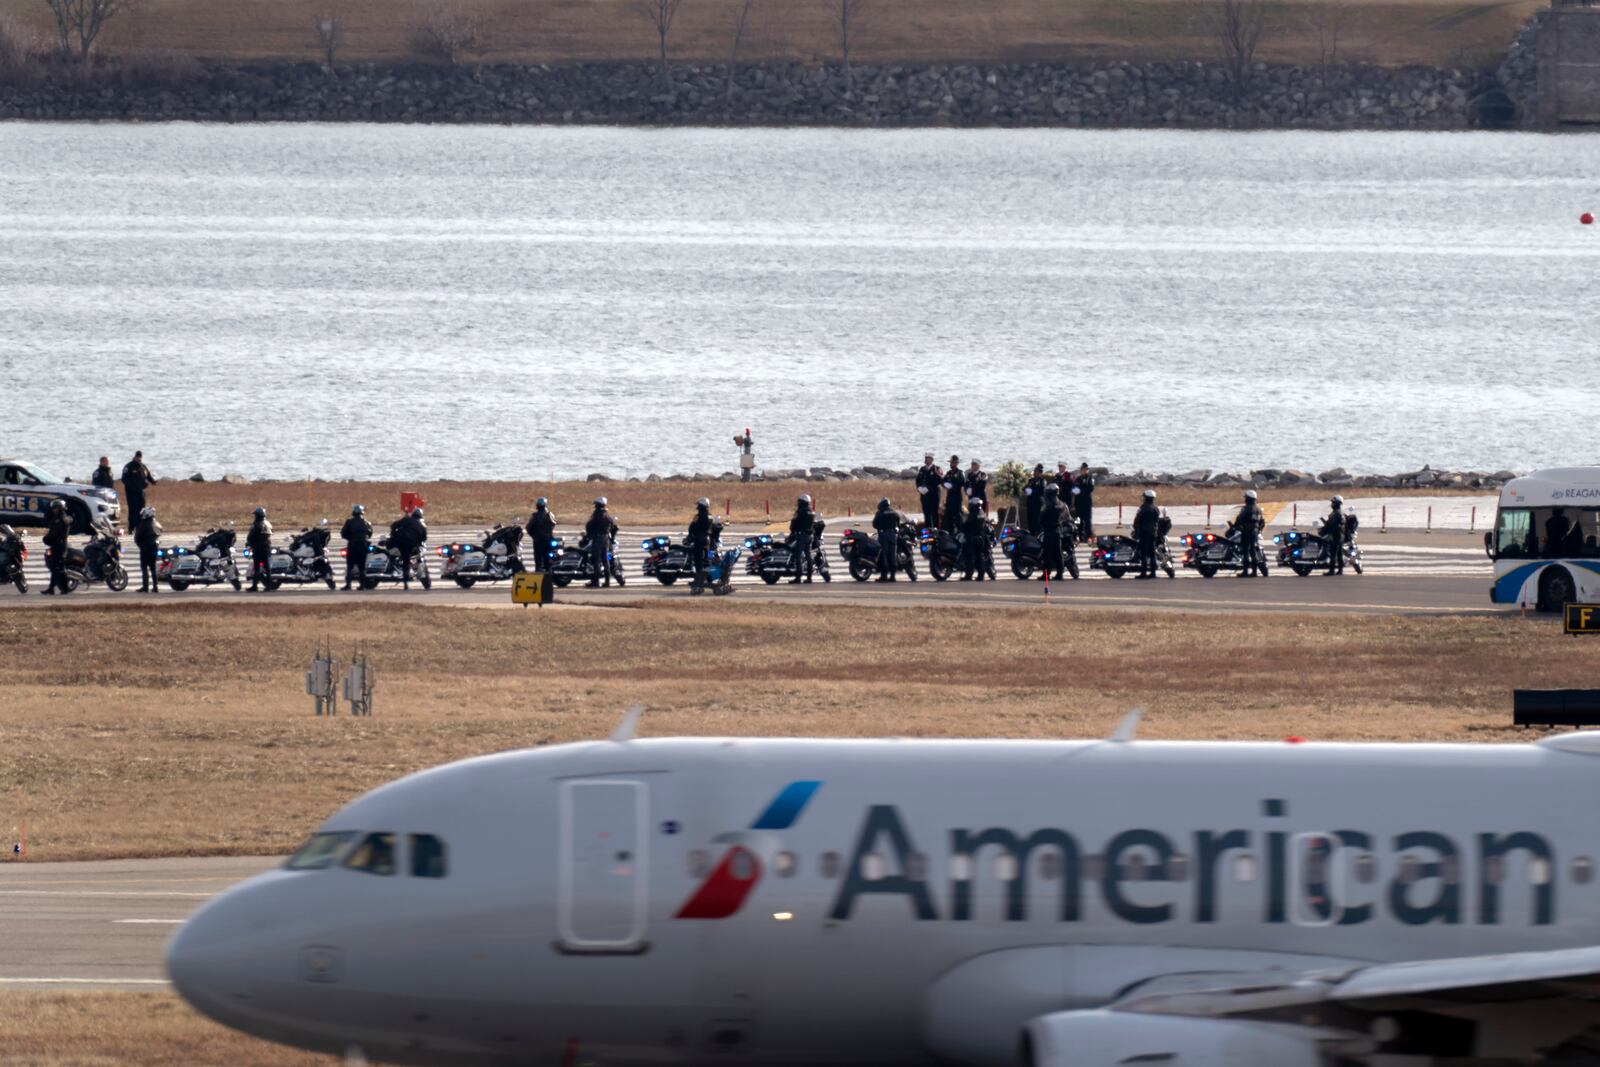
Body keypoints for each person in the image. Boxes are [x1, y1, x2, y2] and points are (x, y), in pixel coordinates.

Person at [1229, 490, 1266, 578]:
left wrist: (1234, 527)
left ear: (1248, 498)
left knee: (1246, 551)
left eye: (1246, 497)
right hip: (1255, 532)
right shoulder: (1258, 509)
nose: (1245, 499)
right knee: (1252, 551)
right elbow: (1262, 522)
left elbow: (1239, 519)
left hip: (1246, 531)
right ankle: (1254, 572)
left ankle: (1245, 571)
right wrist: (1258, 530)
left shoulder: (1245, 508)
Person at [391, 507, 429, 589]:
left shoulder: (406, 519)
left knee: (405, 562)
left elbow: (393, 525)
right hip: (411, 545)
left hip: (400, 543)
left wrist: (393, 536)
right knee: (406, 562)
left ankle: (405, 583)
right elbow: (424, 538)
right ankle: (406, 582)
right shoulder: (421, 525)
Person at [41, 500, 71, 595]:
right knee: (55, 567)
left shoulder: (61, 519)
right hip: (56, 544)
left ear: (61, 508)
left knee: (58, 567)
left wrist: (46, 538)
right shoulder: (56, 518)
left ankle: (63, 589)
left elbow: (54, 533)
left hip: (60, 545)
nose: (55, 509)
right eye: (54, 508)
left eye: (57, 508)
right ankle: (52, 588)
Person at [341, 504, 373, 590]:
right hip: (363, 547)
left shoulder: (349, 522)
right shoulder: (367, 523)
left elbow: (343, 533)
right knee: (362, 567)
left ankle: (348, 585)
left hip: (352, 546)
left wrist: (350, 538)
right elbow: (370, 534)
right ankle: (362, 585)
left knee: (350, 566)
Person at [120, 451, 157, 525]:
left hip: (141, 492)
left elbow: (148, 476)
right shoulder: (128, 466)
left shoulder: (143, 467)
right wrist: (132, 486)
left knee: (142, 509)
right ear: (135, 457)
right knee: (133, 510)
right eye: (138, 457)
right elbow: (124, 479)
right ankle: (132, 528)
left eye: (140, 457)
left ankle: (140, 526)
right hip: (131, 493)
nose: (139, 458)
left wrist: (153, 481)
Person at [787, 495, 817, 584]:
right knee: (808, 556)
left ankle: (798, 577)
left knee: (798, 556)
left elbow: (794, 522)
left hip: (801, 535)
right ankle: (809, 577)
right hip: (809, 535)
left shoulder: (800, 511)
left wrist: (792, 530)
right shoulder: (811, 511)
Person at [962, 504, 996, 581]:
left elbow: (965, 526)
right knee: (979, 558)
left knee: (970, 558)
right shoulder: (982, 514)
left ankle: (969, 575)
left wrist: (963, 529)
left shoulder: (971, 515)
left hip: (972, 539)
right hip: (981, 539)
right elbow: (987, 525)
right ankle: (981, 575)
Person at [686, 498, 716, 585]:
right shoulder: (710, 515)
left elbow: (693, 526)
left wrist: (691, 536)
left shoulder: (699, 516)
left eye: (698, 505)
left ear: (702, 505)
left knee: (698, 560)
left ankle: (698, 580)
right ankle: (707, 578)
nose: (697, 506)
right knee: (707, 560)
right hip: (707, 540)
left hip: (699, 540)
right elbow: (711, 527)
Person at [584, 497, 613, 588]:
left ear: (598, 505)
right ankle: (607, 582)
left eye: (596, 504)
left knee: (597, 560)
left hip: (597, 539)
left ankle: (596, 582)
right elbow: (611, 524)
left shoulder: (596, 514)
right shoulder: (607, 515)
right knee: (605, 560)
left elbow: (589, 525)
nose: (595, 506)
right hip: (605, 539)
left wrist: (589, 535)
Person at [1039, 485, 1065, 581]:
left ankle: (1046, 574)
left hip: (1049, 530)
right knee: (1058, 553)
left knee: (1047, 554)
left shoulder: (1047, 504)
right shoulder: (1060, 503)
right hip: (1057, 530)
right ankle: (1060, 573)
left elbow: (1041, 518)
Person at [134, 506, 162, 593]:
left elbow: (137, 536)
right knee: (153, 568)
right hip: (154, 547)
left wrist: (140, 545)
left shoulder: (143, 523)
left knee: (144, 568)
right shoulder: (155, 523)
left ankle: (145, 587)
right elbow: (160, 530)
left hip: (145, 548)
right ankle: (155, 586)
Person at [1133, 489, 1161, 579]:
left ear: (1146, 498)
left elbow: (1137, 520)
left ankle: (1143, 573)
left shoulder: (1143, 508)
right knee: (1152, 553)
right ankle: (1153, 573)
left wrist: (1137, 530)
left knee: (1144, 553)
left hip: (1144, 532)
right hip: (1153, 533)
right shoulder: (1156, 508)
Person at [245, 507, 274, 591]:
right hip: (266, 547)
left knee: (256, 567)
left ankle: (255, 586)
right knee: (267, 568)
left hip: (258, 547)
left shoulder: (257, 524)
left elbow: (251, 536)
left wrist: (250, 543)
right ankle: (268, 586)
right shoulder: (268, 523)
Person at [872, 498, 900, 582]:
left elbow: (874, 524)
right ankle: (893, 576)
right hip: (893, 535)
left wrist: (880, 528)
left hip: (884, 535)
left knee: (883, 555)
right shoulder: (894, 512)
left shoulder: (880, 513)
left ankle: (884, 575)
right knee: (892, 555)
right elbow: (898, 522)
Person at [526, 498, 556, 574]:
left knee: (538, 558)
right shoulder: (550, 514)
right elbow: (553, 524)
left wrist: (534, 536)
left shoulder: (535, 516)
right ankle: (548, 571)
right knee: (548, 557)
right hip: (547, 539)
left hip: (538, 540)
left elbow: (529, 528)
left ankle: (539, 570)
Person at [914, 454, 942, 531]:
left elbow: (939, 479)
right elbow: (918, 480)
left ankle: (936, 530)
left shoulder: (936, 468)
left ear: (932, 459)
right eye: (925, 458)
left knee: (934, 514)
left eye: (928, 458)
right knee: (926, 514)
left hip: (933, 495)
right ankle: (927, 530)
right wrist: (919, 487)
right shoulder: (922, 469)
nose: (926, 460)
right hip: (924, 495)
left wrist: (929, 488)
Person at [1321, 496, 1346, 575]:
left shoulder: (1336, 513)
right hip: (1340, 535)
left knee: (1333, 553)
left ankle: (1332, 570)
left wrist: (1323, 530)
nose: (1332, 504)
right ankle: (1340, 570)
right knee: (1339, 553)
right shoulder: (1340, 512)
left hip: (1335, 535)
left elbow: (1330, 524)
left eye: (1333, 503)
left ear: (1337, 504)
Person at [941, 455, 965, 533]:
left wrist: (953, 486)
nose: (951, 464)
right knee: (949, 516)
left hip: (957, 497)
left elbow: (962, 482)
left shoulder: (960, 473)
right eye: (951, 462)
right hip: (950, 497)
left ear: (956, 463)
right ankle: (950, 533)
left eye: (953, 463)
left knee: (958, 516)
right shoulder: (948, 473)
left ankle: (960, 532)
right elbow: (943, 481)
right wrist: (945, 484)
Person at [1023, 464, 1047, 533]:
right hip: (1030, 502)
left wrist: (1033, 491)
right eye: (1035, 471)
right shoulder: (1031, 480)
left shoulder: (1042, 481)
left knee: (1037, 520)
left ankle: (1038, 534)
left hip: (1038, 503)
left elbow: (1042, 490)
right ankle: (1031, 533)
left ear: (1040, 473)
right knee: (1030, 520)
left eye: (1037, 472)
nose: (1035, 473)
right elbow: (1024, 488)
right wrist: (1027, 490)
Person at [1075, 463, 1096, 539]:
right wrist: (1076, 491)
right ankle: (1079, 535)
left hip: (1086, 502)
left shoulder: (1090, 479)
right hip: (1078, 503)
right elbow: (1074, 488)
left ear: (1087, 470)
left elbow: (1090, 488)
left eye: (1085, 469)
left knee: (1087, 520)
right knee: (1078, 520)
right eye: (1082, 469)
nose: (1083, 471)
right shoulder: (1077, 479)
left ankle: (1088, 536)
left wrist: (1082, 490)